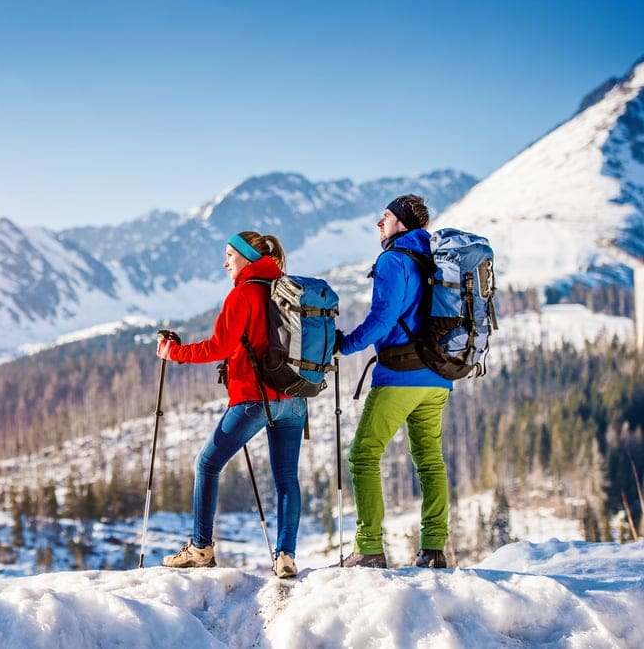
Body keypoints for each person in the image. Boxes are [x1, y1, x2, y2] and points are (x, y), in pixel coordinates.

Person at [156, 231, 307, 579]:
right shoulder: (283, 287)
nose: (225, 263)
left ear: (248, 257)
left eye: (229, 255)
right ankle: (286, 556)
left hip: (254, 399)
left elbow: (217, 347)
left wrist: (173, 352)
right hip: (295, 399)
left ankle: (200, 548)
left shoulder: (245, 293)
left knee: (207, 465)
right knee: (286, 478)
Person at [335, 194, 452, 569]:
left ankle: (368, 547)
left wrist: (345, 344)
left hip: (401, 376)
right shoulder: (432, 259)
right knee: (429, 461)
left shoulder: (393, 260)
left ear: (401, 223)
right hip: (438, 376)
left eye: (384, 216)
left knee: (364, 455)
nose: (378, 223)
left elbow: (382, 319)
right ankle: (433, 548)